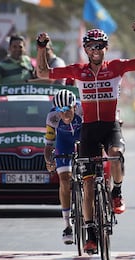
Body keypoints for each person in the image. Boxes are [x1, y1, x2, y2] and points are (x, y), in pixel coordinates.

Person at [36, 21, 135, 253]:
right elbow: (43, 72)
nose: (96, 50)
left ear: (106, 48)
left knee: (116, 155)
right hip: (89, 129)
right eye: (91, 47)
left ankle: (117, 192)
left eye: (100, 46)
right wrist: (41, 48)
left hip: (110, 125)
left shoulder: (117, 67)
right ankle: (91, 234)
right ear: (86, 50)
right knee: (88, 183)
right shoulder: (77, 71)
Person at [44, 89, 82, 245]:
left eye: (67, 109)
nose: (64, 114)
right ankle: (67, 225)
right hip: (64, 144)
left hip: (83, 140)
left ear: (74, 106)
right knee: (64, 181)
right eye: (60, 110)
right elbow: (48, 145)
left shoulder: (83, 111)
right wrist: (49, 161)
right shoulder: (52, 118)